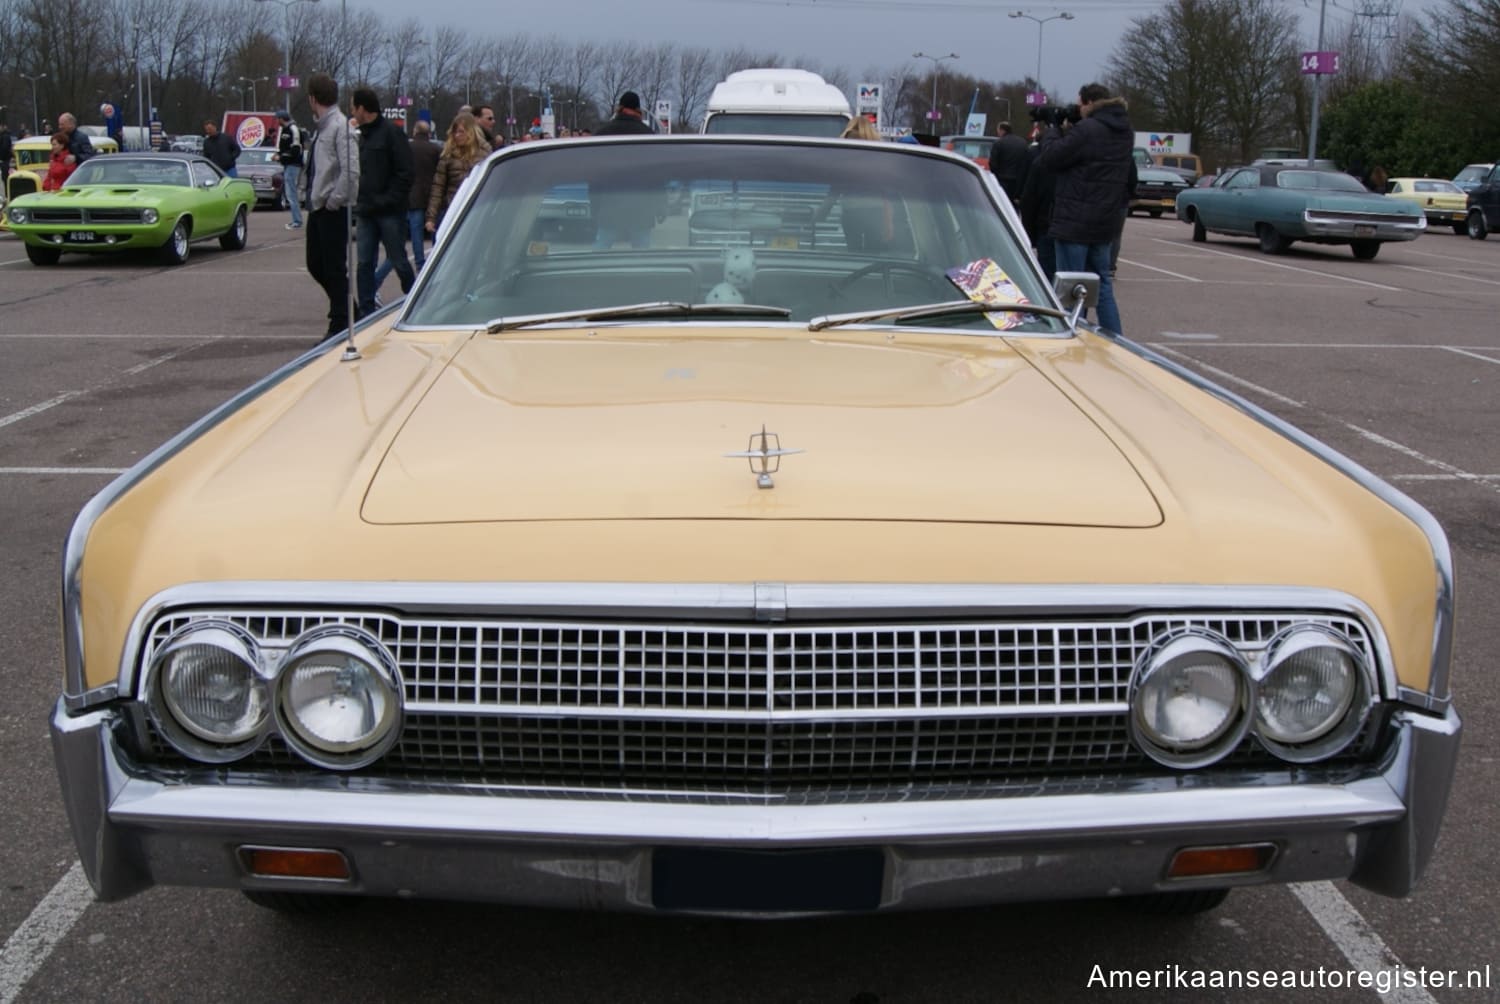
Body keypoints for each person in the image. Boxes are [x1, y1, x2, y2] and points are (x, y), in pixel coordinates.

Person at [1035, 84, 1132, 334]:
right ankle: (1115, 339)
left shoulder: (1088, 130)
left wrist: (1054, 129)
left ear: (1089, 103)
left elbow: (1050, 158)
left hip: (1075, 220)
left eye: (1080, 104)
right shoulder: (1124, 132)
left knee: (1070, 287)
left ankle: (1069, 334)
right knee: (1102, 287)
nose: (1078, 108)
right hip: (1104, 221)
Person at [303, 72, 361, 339]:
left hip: (331, 209)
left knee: (334, 267)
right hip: (317, 206)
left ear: (313, 99)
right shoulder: (321, 129)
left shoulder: (340, 127)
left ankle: (341, 320)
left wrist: (334, 201)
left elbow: (351, 171)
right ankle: (351, 310)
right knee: (316, 264)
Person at [351, 87, 415, 316]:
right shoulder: (362, 136)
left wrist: (389, 199)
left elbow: (406, 172)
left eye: (353, 107)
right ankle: (366, 311)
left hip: (389, 211)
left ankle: (414, 301)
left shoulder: (391, 133)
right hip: (366, 211)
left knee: (398, 259)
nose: (352, 112)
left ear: (362, 108)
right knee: (364, 263)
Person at [591, 91, 661, 249]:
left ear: (619, 108)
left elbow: (594, 175)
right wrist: (660, 206)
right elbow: (657, 175)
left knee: (599, 252)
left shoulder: (602, 135)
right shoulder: (649, 136)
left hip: (609, 206)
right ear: (638, 109)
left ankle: (593, 273)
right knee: (642, 256)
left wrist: (594, 206)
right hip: (642, 208)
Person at [376, 118, 439, 286]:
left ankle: (419, 266)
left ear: (415, 131)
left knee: (414, 235)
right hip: (431, 196)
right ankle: (428, 266)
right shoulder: (435, 149)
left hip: (410, 197)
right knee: (433, 235)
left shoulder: (407, 148)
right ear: (429, 133)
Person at [426, 111, 491, 240]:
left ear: (471, 131)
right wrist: (431, 217)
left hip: (476, 209)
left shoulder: (484, 153)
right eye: (455, 132)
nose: (457, 135)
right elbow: (438, 187)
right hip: (452, 209)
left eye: (461, 132)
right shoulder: (448, 155)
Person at [274, 109, 305, 230]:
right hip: (288, 165)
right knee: (290, 193)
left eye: (277, 118)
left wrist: (280, 156)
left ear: (282, 119)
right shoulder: (285, 130)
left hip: (293, 165)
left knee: (291, 194)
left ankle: (297, 221)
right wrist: (278, 154)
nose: (276, 121)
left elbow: (296, 150)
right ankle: (296, 220)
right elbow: (284, 148)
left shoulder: (293, 129)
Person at [988, 120, 1031, 204]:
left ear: (1002, 130)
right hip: (1019, 182)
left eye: (998, 131)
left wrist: (996, 176)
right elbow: (1027, 163)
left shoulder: (999, 143)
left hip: (1003, 181)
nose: (998, 133)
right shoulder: (1023, 143)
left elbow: (993, 164)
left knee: (1003, 204)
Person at [0, 123, 12, 188]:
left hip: (5, 160)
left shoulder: (5, 136)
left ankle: (7, 194)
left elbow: (5, 148)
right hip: (4, 160)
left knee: (5, 177)